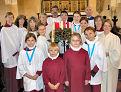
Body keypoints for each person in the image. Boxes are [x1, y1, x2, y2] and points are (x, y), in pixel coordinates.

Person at [82, 27, 107, 92]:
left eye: (90, 33)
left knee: (96, 87)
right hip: (86, 70)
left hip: (96, 70)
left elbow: (102, 58)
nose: (88, 36)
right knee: (86, 87)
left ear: (94, 33)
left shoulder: (99, 44)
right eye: (86, 34)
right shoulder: (84, 45)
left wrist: (94, 70)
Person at [99, 19, 121, 92]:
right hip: (101, 63)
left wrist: (108, 53)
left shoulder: (115, 38)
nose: (106, 27)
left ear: (111, 27)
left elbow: (118, 52)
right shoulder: (99, 37)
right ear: (103, 26)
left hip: (111, 63)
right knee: (102, 82)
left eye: (108, 26)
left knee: (110, 82)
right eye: (105, 25)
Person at [1, 12, 20, 92]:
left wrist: (18, 49)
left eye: (12, 17)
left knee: (16, 73)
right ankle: (10, 89)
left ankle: (17, 88)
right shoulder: (3, 30)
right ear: (5, 18)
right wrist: (5, 56)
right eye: (8, 17)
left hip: (16, 54)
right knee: (10, 74)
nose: (10, 19)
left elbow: (18, 39)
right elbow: (3, 43)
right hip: (8, 55)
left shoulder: (15, 27)